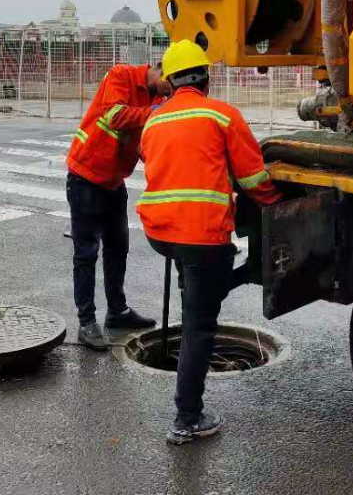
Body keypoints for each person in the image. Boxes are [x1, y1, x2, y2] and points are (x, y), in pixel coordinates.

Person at [137, 41, 283, 444]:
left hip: (161, 233)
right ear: (205, 77)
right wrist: (278, 204)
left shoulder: (153, 121)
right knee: (199, 327)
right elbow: (253, 178)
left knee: (201, 289)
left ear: (168, 81)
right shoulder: (221, 115)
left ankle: (215, 283)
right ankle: (187, 418)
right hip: (200, 237)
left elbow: (162, 166)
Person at [66, 63, 170, 350]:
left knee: (117, 248)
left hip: (113, 182)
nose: (169, 93)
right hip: (86, 176)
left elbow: (144, 145)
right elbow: (114, 116)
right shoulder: (121, 75)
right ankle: (87, 323)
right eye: (168, 85)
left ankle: (117, 312)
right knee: (86, 253)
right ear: (161, 70)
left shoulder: (156, 101)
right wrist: (153, 114)